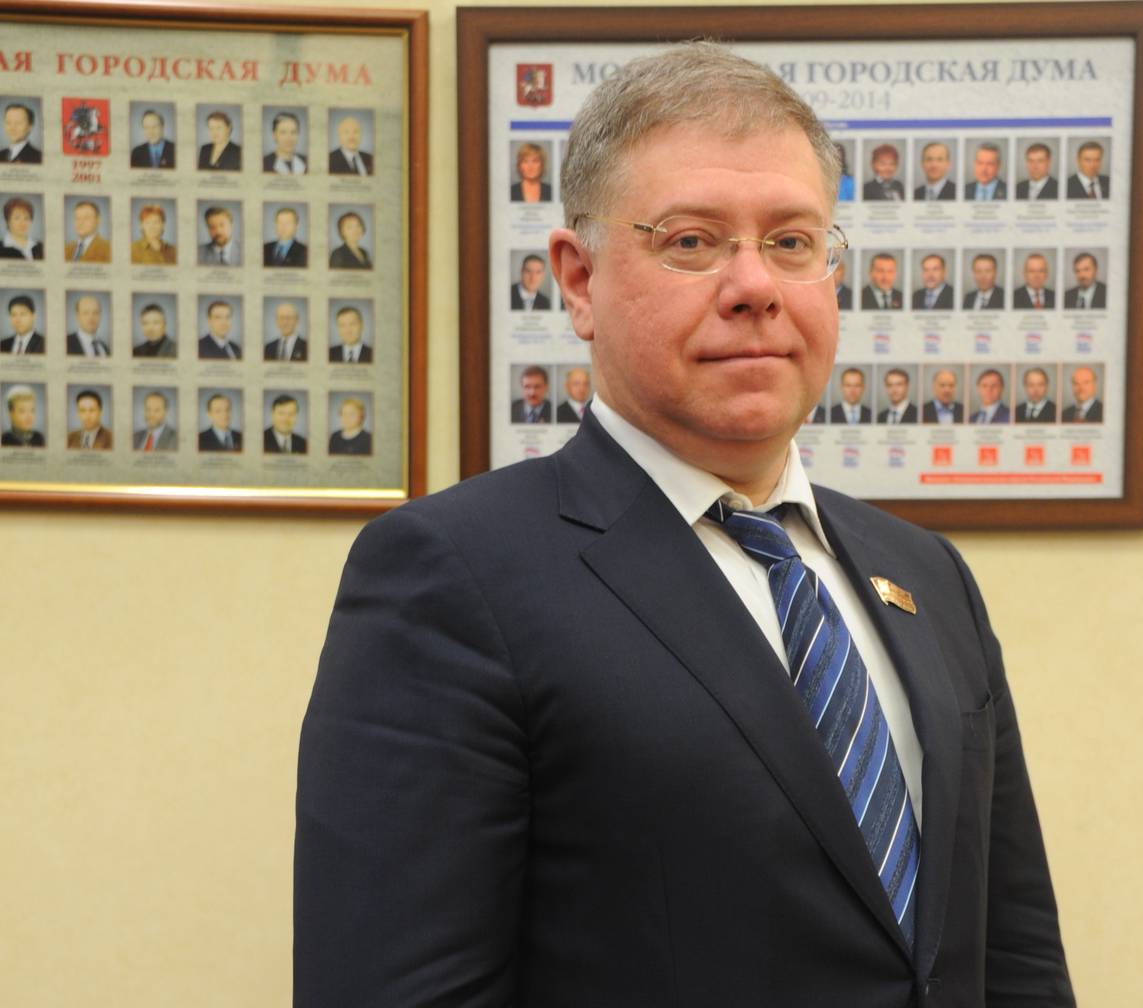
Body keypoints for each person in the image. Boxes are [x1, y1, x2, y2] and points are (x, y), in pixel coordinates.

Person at [295, 43, 1074, 1008]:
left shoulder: (927, 574)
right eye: (693, 242)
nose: (755, 286)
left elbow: (1014, 957)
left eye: (792, 242)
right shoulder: (452, 578)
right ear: (578, 280)